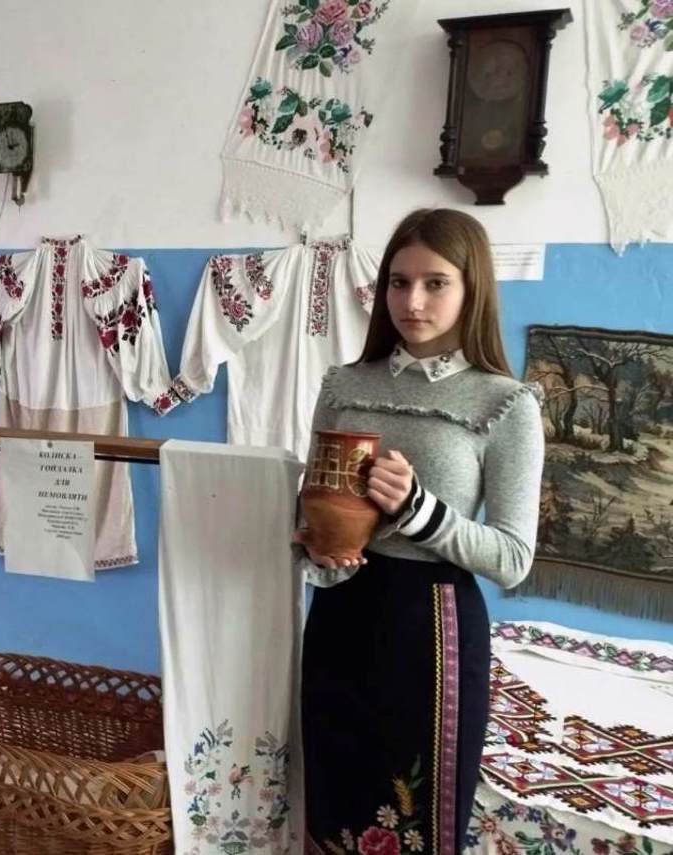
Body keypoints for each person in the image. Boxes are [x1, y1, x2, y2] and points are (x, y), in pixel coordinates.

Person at [294, 209, 544, 855]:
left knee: (414, 820)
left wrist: (417, 509)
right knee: (329, 803)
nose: (412, 302)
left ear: (472, 288)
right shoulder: (344, 384)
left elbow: (513, 557)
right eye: (398, 282)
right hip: (339, 613)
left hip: (432, 630)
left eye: (436, 283)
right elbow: (317, 500)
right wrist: (311, 537)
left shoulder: (506, 402)